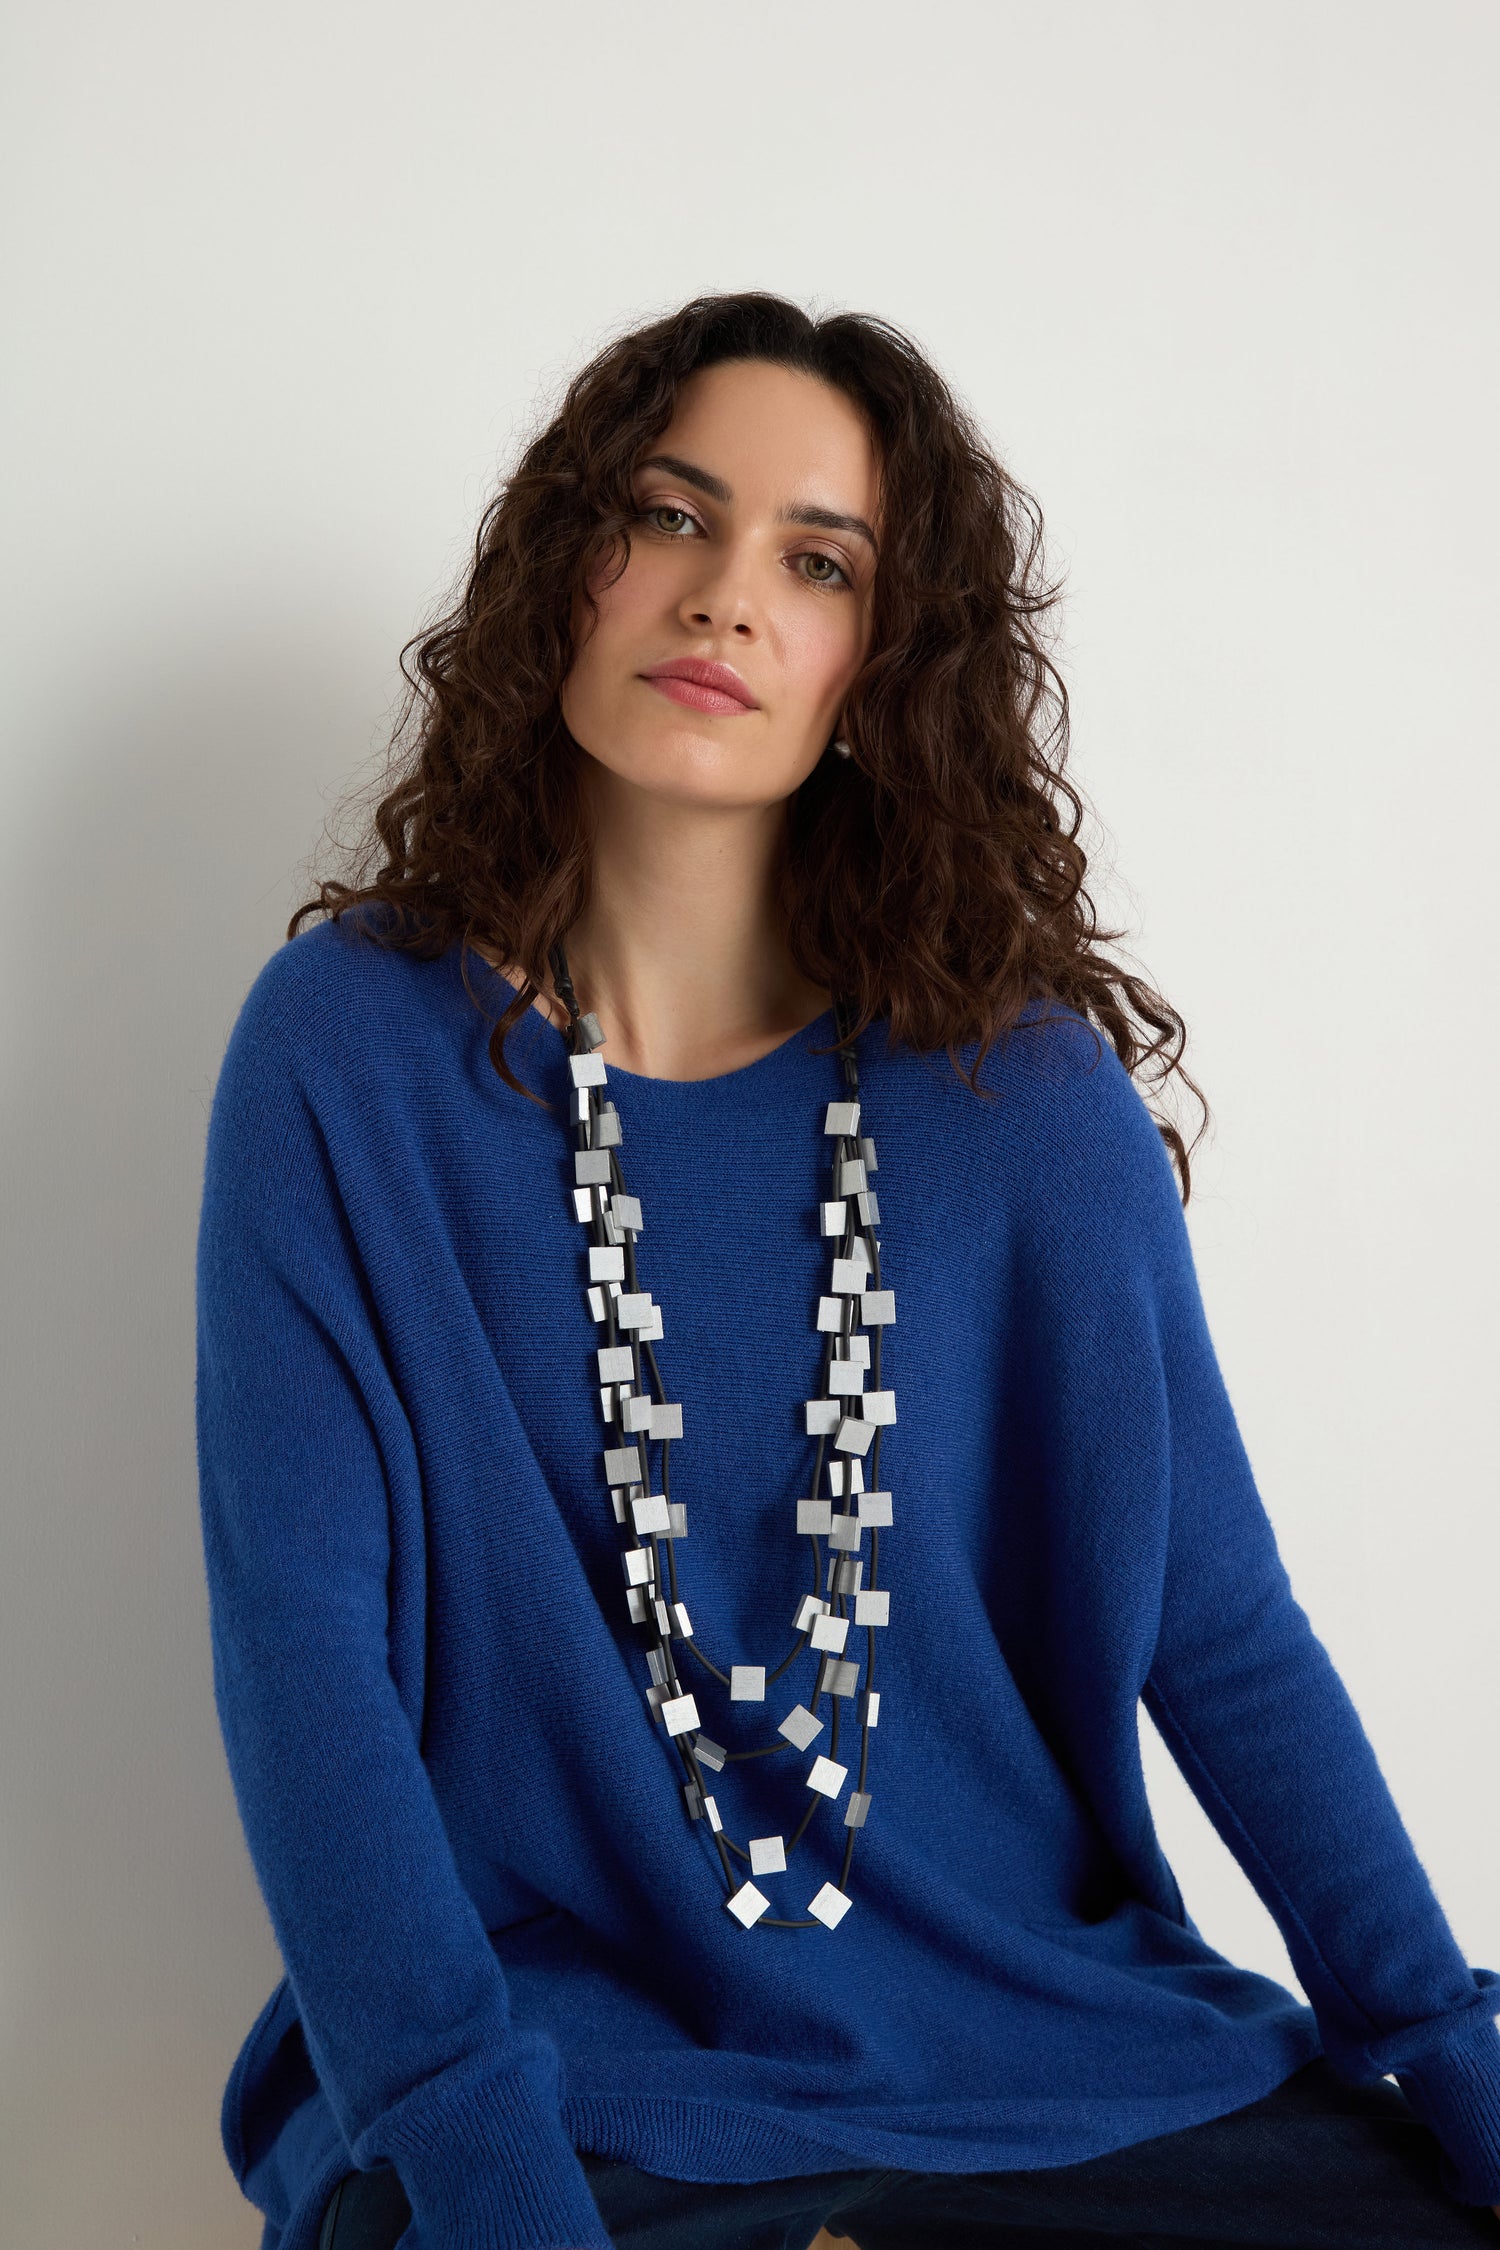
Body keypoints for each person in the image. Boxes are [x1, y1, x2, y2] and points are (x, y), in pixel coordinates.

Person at [194, 291, 1500, 2250]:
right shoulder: (347, 1054)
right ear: (569, 565)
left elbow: (1217, 1628)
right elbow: (307, 1665)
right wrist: (475, 2155)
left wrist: (1450, 2048)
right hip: (564, 2067)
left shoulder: (1019, 1095)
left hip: (1052, 2054)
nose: (726, 598)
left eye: (816, 563)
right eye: (670, 516)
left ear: (876, 670)